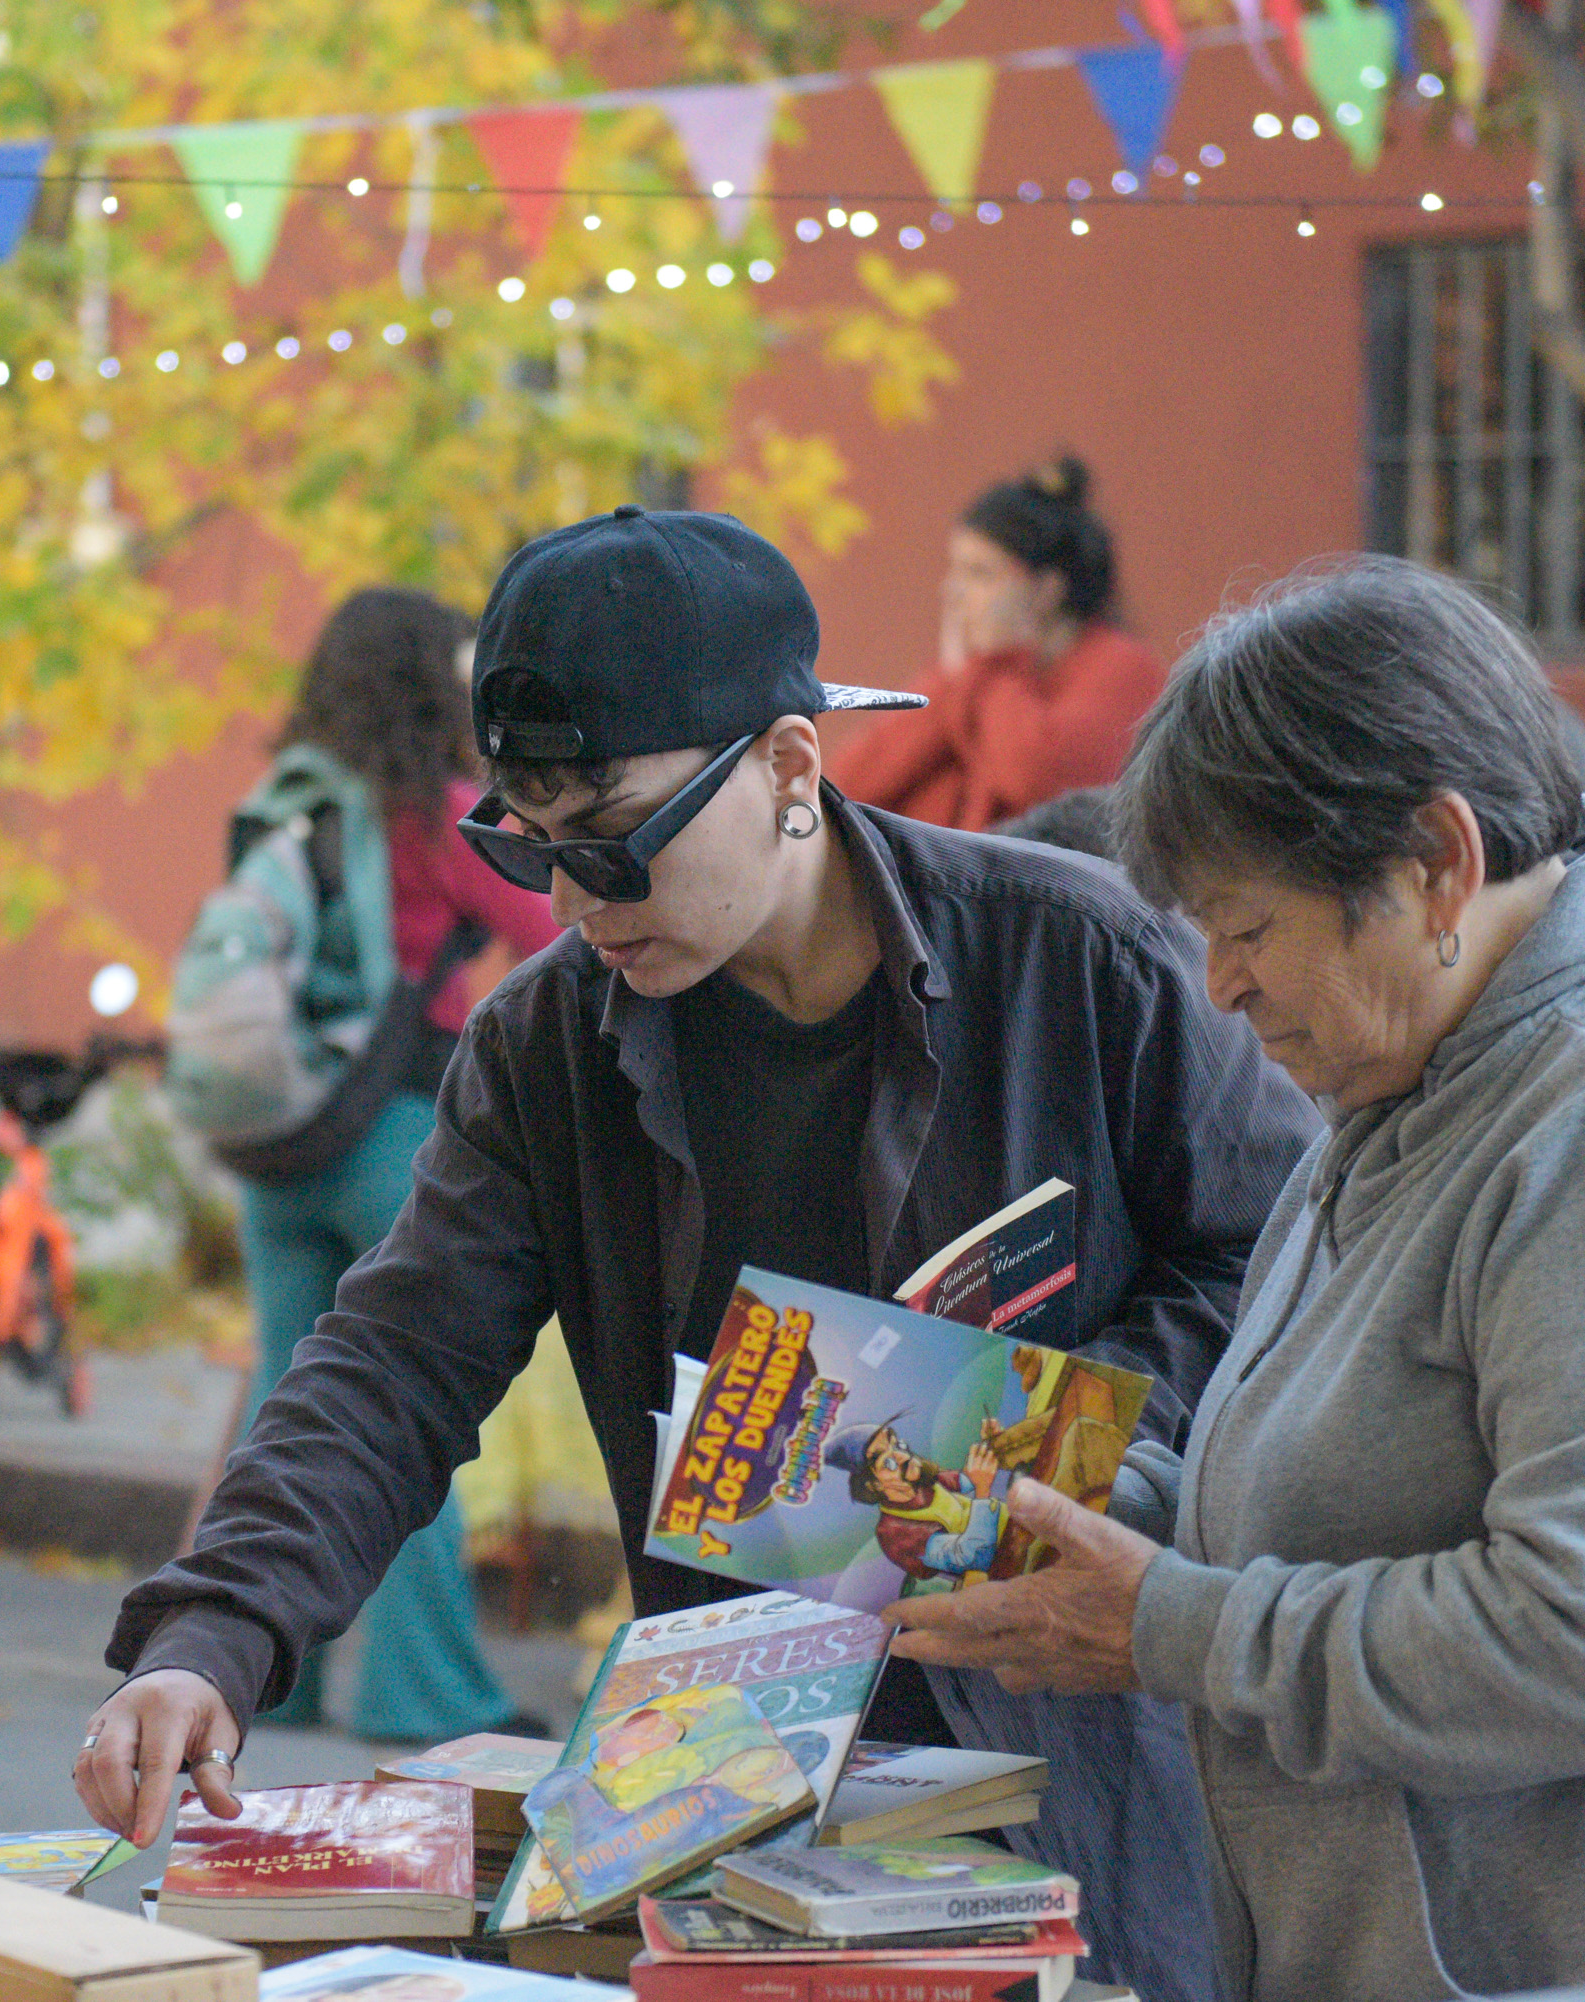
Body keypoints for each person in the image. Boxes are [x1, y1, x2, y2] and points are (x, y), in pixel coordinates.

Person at [76, 506, 1319, 2001]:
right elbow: (395, 1358)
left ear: (791, 765)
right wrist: (212, 1634)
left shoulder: (1076, 958)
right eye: (528, 847)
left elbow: (1286, 1267)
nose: (578, 903)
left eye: (619, 844)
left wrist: (1031, 1443)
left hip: (1066, 1760)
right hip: (734, 1786)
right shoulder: (547, 1045)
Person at [886, 555, 1585, 1997]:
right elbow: (1327, 1494)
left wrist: (1167, 1623)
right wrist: (1051, 1495)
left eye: (1247, 928)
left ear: (1434, 864)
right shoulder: (1417, 1089)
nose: (1221, 987)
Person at [225, 586, 558, 1744]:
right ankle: (427, 1693)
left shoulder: (282, 803)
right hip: (395, 1138)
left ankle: (269, 1674)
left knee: (291, 1409)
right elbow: (557, 941)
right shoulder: (440, 815)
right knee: (401, 1419)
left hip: (280, 1142)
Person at [832, 456, 1167, 832]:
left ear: (1046, 590)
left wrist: (995, 666)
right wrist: (959, 678)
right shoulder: (969, 673)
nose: (953, 592)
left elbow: (1039, 784)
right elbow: (848, 783)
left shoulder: (1120, 668)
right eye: (955, 569)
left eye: (979, 573)